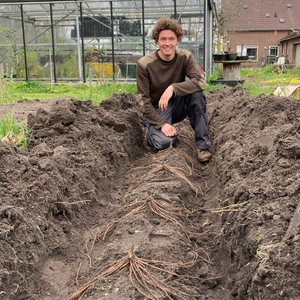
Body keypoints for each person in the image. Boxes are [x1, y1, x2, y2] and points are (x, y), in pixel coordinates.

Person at [136, 17, 212, 162]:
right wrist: (162, 124)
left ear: (178, 41)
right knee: (166, 143)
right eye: (163, 39)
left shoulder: (185, 57)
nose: (167, 43)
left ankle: (202, 146)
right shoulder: (144, 64)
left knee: (197, 95)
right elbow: (143, 103)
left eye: (171, 39)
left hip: (178, 106)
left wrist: (173, 88)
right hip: (157, 109)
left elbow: (201, 82)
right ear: (157, 41)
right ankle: (152, 134)